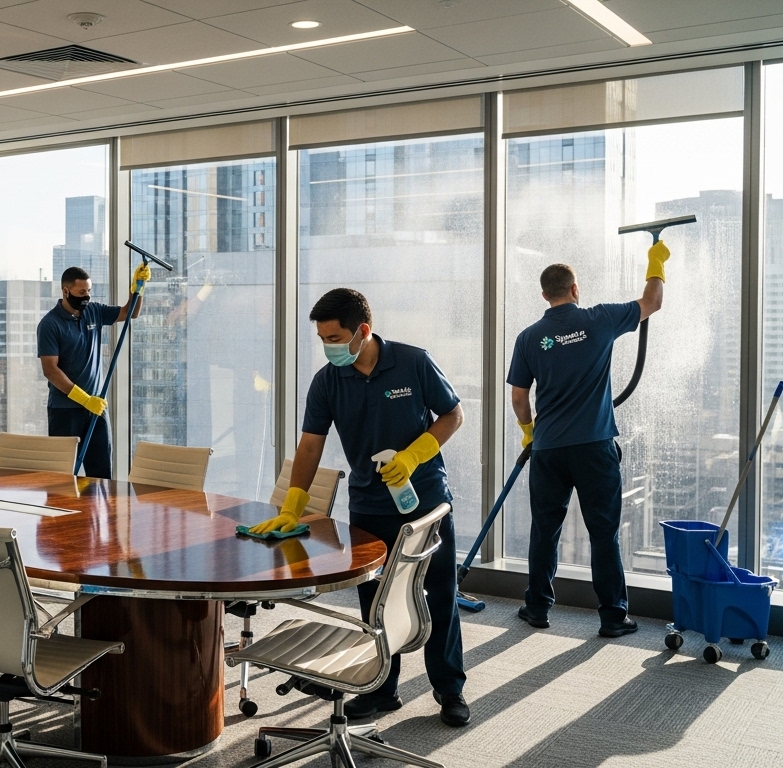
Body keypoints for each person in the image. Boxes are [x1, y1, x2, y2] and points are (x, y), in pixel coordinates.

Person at [249, 288, 470, 727]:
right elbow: (311, 445)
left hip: (424, 501)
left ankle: (449, 689)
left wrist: (413, 456)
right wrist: (293, 505)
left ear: (362, 331)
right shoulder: (328, 381)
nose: (328, 346)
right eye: (322, 338)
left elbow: (453, 415)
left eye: (334, 337)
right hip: (369, 506)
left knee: (439, 594)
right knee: (375, 601)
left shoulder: (412, 362)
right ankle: (381, 688)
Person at [508, 243, 668, 638]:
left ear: (544, 295)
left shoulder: (530, 337)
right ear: (575, 289)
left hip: (548, 450)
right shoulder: (600, 319)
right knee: (603, 532)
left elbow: (518, 396)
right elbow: (652, 302)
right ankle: (614, 617)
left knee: (545, 529)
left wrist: (529, 431)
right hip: (594, 447)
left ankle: (537, 608)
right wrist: (655, 264)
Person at [37, 263, 150, 479]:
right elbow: (50, 370)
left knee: (101, 475)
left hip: (96, 410)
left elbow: (130, 313)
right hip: (65, 411)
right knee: (62, 477)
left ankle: (101, 513)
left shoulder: (93, 311)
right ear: (65, 291)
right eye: (81, 292)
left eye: (89, 291)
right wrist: (84, 398)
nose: (86, 297)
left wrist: (138, 287)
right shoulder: (50, 324)